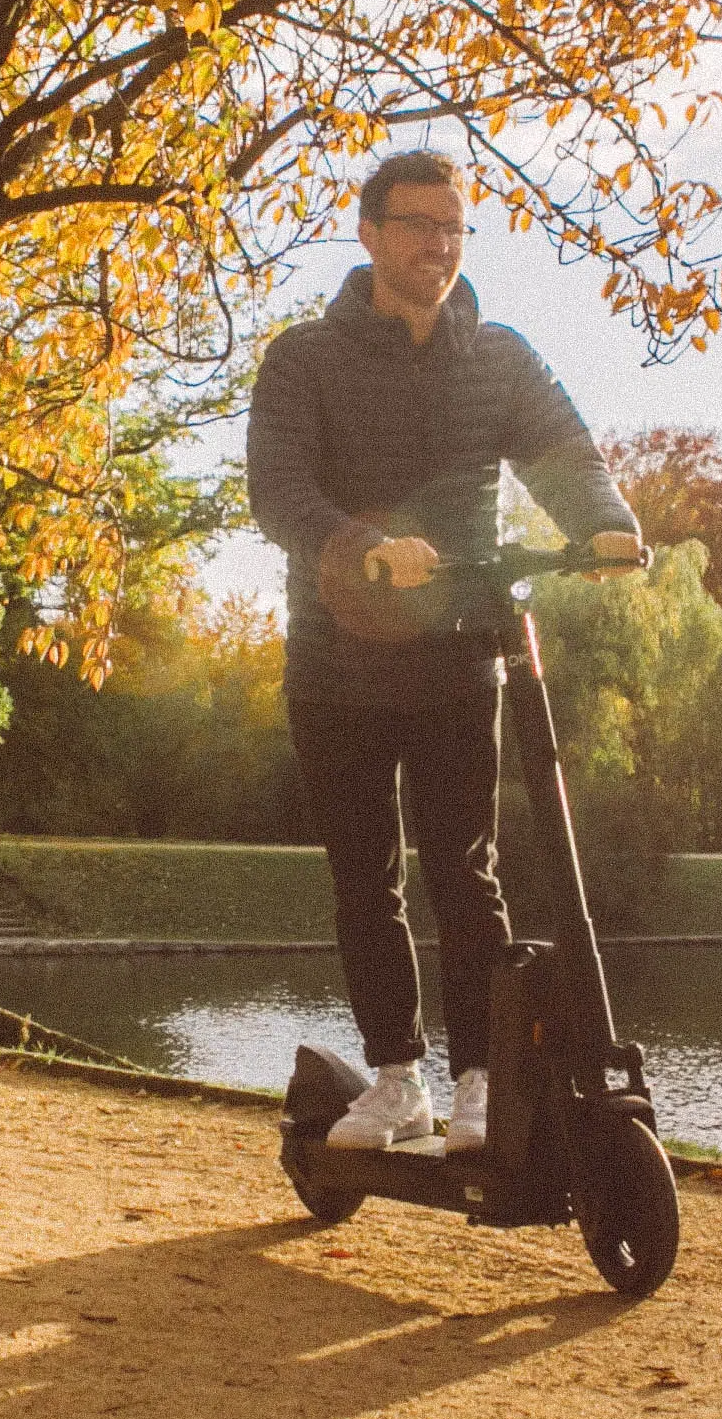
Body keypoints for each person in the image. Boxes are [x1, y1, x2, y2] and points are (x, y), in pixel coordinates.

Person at [247, 150, 641, 1155]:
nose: (439, 245)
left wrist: (603, 524)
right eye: (418, 225)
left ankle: (477, 1079)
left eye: (454, 228)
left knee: (467, 871)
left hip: (462, 651)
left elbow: (566, 450)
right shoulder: (305, 360)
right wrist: (364, 549)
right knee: (365, 877)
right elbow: (279, 492)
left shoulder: (496, 356)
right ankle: (394, 1080)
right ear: (370, 233)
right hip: (336, 662)